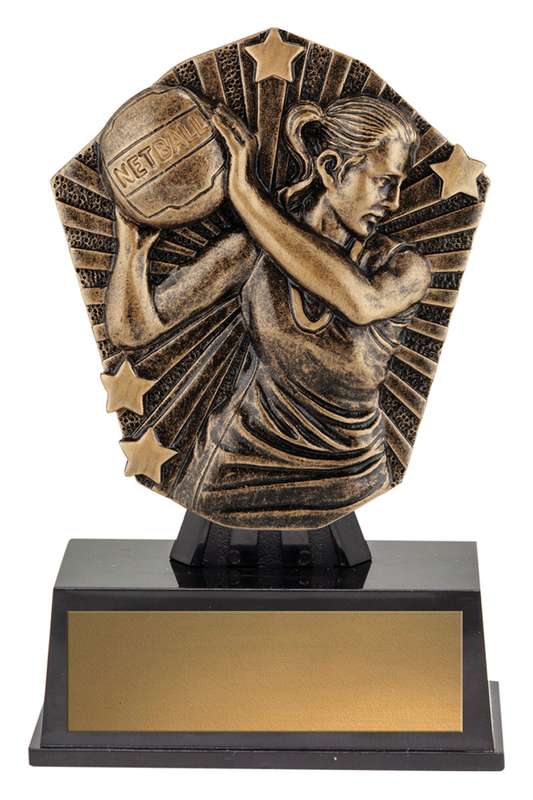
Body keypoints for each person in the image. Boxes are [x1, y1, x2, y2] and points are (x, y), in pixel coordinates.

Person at [106, 95, 431, 529]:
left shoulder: (403, 266)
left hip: (353, 476)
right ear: (331, 168)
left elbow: (360, 303)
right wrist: (132, 248)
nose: (394, 203)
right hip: (231, 474)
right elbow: (134, 331)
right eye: (385, 182)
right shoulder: (250, 251)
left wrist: (246, 195)